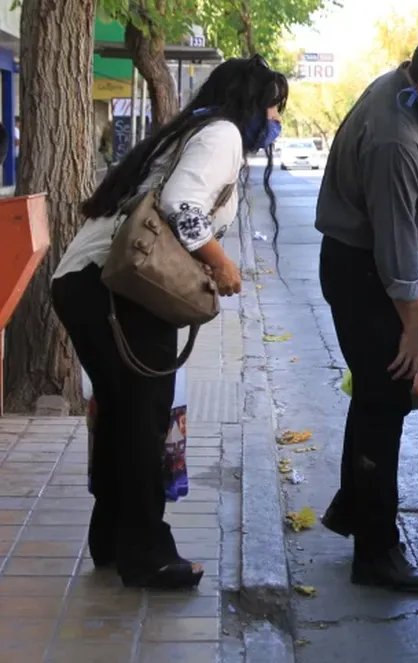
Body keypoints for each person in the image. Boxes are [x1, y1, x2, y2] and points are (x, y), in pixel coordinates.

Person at [50, 55, 287, 590]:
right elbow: (184, 204)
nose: (275, 119)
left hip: (91, 284)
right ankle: (146, 554)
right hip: (116, 290)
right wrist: (221, 265)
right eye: (273, 107)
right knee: (143, 420)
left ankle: (112, 540)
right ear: (250, 104)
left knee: (124, 414)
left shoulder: (196, 129)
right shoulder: (223, 133)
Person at [315, 33, 418, 592]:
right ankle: (376, 552)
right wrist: (412, 325)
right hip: (365, 272)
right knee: (387, 398)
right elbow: (394, 247)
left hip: (369, 267)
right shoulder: (394, 140)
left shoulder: (411, 95)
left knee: (374, 396)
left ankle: (354, 509)